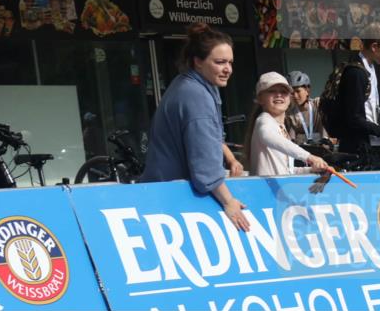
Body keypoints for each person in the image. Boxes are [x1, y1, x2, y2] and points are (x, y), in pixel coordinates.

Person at [139, 23, 250, 231]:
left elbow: (211, 137)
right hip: (171, 201)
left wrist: (231, 158)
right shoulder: (196, 95)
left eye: (230, 62)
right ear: (198, 62)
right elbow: (205, 167)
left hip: (161, 194)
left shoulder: (192, 85)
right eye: (220, 62)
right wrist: (228, 201)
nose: (228, 69)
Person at [331, 22, 380, 167]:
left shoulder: (370, 68)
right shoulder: (356, 73)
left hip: (369, 145)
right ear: (374, 47)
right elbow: (355, 118)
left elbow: (370, 103)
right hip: (357, 148)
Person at [244, 73, 329, 177]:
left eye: (284, 92)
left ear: (289, 98)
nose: (279, 95)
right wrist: (309, 157)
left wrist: (312, 170)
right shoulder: (264, 119)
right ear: (260, 98)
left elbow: (287, 171)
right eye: (272, 91)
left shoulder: (281, 126)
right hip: (265, 191)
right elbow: (267, 136)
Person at [287, 70, 325, 144]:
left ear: (307, 90)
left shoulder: (317, 106)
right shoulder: (290, 113)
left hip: (321, 149)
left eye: (298, 91)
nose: (295, 96)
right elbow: (291, 138)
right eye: (292, 93)